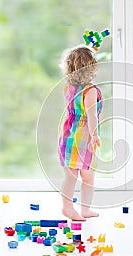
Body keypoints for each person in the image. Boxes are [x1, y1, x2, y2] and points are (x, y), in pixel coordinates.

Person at [58, 46, 102, 221]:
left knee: (74, 176)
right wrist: (95, 135)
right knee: (85, 177)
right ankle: (69, 208)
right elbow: (91, 116)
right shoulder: (90, 91)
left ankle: (83, 209)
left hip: (68, 135)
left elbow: (72, 112)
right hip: (83, 138)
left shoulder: (68, 88)